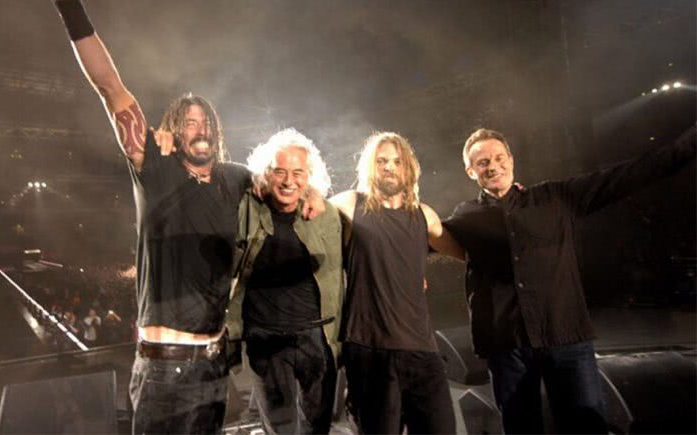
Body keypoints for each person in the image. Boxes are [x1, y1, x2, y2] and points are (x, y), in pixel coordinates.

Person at [50, 2, 323, 433]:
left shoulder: (235, 179)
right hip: (163, 370)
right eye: (190, 122)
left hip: (214, 367)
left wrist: (314, 192)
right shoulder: (155, 168)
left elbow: (283, 180)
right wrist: (70, 9)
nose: (201, 129)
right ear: (175, 130)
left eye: (207, 122)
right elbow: (110, 87)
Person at [440, 126, 696, 434]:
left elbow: (628, 175)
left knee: (586, 424)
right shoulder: (465, 216)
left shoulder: (555, 197)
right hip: (508, 346)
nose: (493, 166)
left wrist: (687, 144)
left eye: (498, 157)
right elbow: (410, 239)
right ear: (470, 171)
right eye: (482, 163)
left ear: (511, 159)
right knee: (521, 427)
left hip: (566, 338)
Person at [330, 131, 462, 434]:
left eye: (396, 161)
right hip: (370, 351)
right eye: (381, 161)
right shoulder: (351, 205)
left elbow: (467, 251)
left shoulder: (424, 216)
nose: (389, 167)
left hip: (422, 352)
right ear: (369, 167)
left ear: (409, 168)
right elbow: (306, 205)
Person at [226, 128, 344, 434]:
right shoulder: (248, 207)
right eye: (279, 171)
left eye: (298, 172)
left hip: (316, 336)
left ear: (309, 176)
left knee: (316, 427)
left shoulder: (326, 214)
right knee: (279, 428)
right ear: (265, 174)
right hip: (265, 337)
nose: (289, 181)